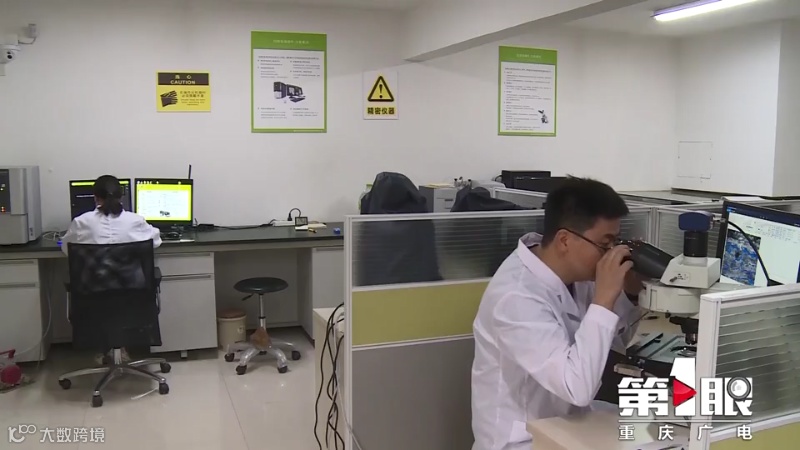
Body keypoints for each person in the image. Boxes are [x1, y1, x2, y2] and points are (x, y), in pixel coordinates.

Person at [471, 177, 645, 450]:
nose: (611, 254)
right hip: (523, 441)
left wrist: (630, 293)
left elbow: (607, 344)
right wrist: (603, 301)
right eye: (605, 244)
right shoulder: (516, 297)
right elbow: (577, 387)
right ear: (565, 240)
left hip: (567, 426)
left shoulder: (576, 274)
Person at [60, 175, 162, 364]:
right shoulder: (136, 221)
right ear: (121, 197)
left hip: (92, 301)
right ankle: (120, 349)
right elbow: (155, 241)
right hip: (133, 299)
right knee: (121, 301)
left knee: (103, 303)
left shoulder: (81, 222)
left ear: (95, 197)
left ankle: (107, 349)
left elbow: (67, 249)